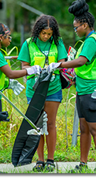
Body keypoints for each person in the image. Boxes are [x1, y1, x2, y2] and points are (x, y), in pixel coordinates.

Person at [56, 0, 96, 172]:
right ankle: (83, 164)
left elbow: (81, 61)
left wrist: (61, 65)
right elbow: (85, 66)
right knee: (84, 128)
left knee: (95, 129)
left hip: (92, 91)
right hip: (83, 90)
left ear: (85, 24)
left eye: (76, 27)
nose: (75, 30)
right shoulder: (93, 39)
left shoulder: (91, 41)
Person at [0, 23, 39, 173]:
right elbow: (10, 73)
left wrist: (8, 84)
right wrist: (31, 70)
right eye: (8, 36)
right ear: (1, 37)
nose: (10, 39)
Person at [17, 14, 67, 172]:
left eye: (49, 34)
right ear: (37, 31)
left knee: (50, 124)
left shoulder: (57, 43)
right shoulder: (29, 44)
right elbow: (23, 66)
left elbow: (64, 62)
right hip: (35, 89)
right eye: (43, 33)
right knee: (37, 125)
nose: (46, 37)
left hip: (53, 88)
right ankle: (40, 160)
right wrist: (33, 69)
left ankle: (50, 159)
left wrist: (56, 65)